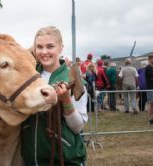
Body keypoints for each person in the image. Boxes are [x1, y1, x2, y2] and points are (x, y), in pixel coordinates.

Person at [21, 26, 88, 165]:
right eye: (39, 47)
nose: (44, 52)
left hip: (64, 160)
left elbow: (78, 127)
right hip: (30, 159)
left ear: (61, 48)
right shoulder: (27, 77)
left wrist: (66, 101)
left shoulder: (73, 78)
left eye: (50, 46)